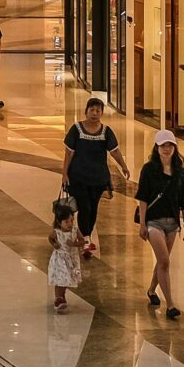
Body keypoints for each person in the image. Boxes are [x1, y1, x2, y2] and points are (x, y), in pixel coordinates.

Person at [61, 97, 129, 259]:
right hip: (78, 177)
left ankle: (86, 235)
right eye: (92, 109)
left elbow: (114, 151)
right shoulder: (76, 129)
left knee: (93, 208)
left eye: (98, 110)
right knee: (85, 207)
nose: (94, 113)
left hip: (98, 178)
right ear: (86, 111)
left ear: (102, 113)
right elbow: (69, 153)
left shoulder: (106, 131)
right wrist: (64, 173)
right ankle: (85, 238)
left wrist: (123, 166)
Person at [133, 128, 184, 318]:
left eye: (170, 145)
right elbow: (142, 198)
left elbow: (183, 196)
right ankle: (171, 305)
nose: (166, 149)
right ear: (156, 148)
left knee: (161, 261)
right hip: (153, 221)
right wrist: (142, 224)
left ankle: (151, 290)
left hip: (173, 222)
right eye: (163, 145)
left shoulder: (180, 169)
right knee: (165, 261)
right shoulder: (149, 169)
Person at [47, 195, 86, 313]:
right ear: (59, 222)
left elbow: (82, 240)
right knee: (61, 277)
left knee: (67, 278)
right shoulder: (57, 232)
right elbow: (50, 238)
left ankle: (62, 296)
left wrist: (75, 244)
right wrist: (55, 245)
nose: (70, 224)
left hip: (71, 258)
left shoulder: (75, 230)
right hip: (60, 259)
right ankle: (58, 298)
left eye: (71, 221)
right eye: (66, 221)